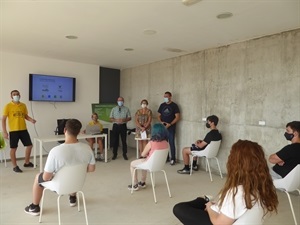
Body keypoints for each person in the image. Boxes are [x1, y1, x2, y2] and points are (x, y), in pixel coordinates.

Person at [173, 140, 278, 225]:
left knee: (179, 208)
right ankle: (205, 201)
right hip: (233, 218)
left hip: (221, 222)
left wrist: (210, 207)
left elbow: (219, 223)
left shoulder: (238, 192)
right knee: (200, 209)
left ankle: (204, 200)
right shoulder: (262, 186)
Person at [24, 119, 96, 216]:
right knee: (74, 173)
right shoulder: (87, 148)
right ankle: (73, 198)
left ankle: (34, 207)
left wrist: (55, 175)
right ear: (79, 131)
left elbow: (46, 178)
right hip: (78, 184)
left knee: (38, 177)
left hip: (60, 186)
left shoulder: (56, 151)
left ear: (65, 130)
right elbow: (91, 169)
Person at [1, 90, 36, 173]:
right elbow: (3, 120)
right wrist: (5, 132)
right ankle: (15, 166)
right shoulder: (8, 106)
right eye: (14, 94)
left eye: (17, 94)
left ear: (19, 95)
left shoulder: (23, 105)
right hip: (13, 131)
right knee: (13, 148)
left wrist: (31, 120)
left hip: (23, 129)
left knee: (29, 145)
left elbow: (25, 116)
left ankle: (26, 163)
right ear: (11, 96)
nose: (16, 95)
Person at [128, 123, 169, 191]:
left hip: (150, 164)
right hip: (160, 165)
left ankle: (135, 184)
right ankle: (142, 182)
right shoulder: (166, 143)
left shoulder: (151, 143)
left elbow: (143, 154)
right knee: (144, 161)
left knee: (132, 164)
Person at [157, 91, 180, 165]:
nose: (165, 98)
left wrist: (170, 124)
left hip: (171, 127)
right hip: (163, 127)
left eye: (167, 96)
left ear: (170, 97)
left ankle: (172, 158)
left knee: (171, 142)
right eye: (164, 96)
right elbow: (158, 115)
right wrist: (162, 122)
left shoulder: (174, 105)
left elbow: (177, 117)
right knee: (164, 143)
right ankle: (165, 157)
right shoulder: (162, 105)